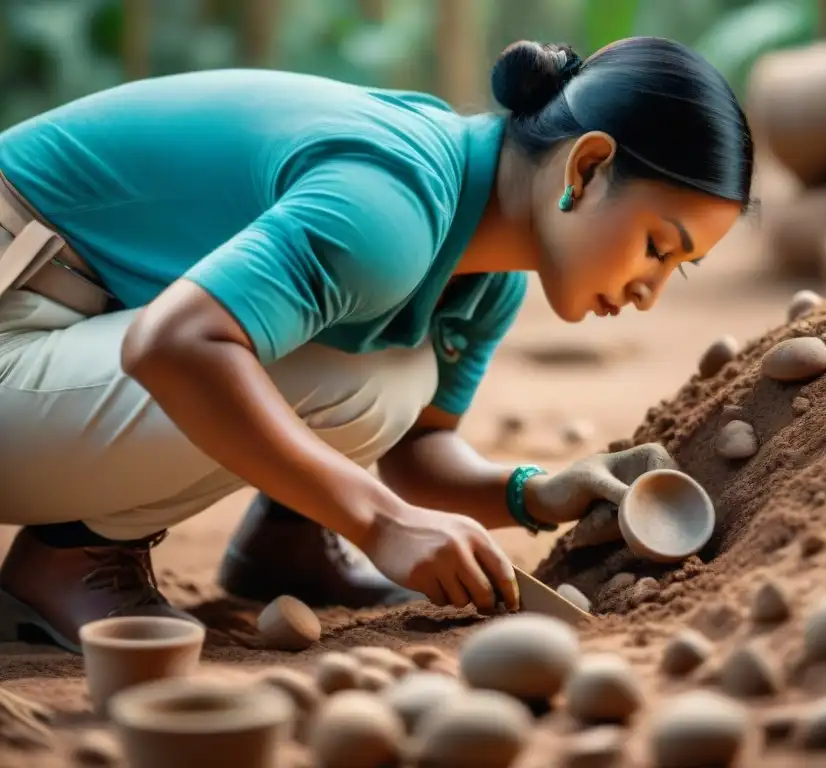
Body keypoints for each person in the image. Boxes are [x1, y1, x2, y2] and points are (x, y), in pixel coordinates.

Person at [0, 36, 753, 653]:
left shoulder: (485, 270)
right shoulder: (391, 208)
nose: (650, 289)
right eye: (658, 246)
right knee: (352, 378)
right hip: (21, 306)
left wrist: (536, 493)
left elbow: (415, 453)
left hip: (57, 327)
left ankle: (287, 542)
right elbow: (175, 345)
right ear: (586, 168)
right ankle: (71, 555)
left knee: (389, 377)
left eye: (676, 272)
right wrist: (377, 524)